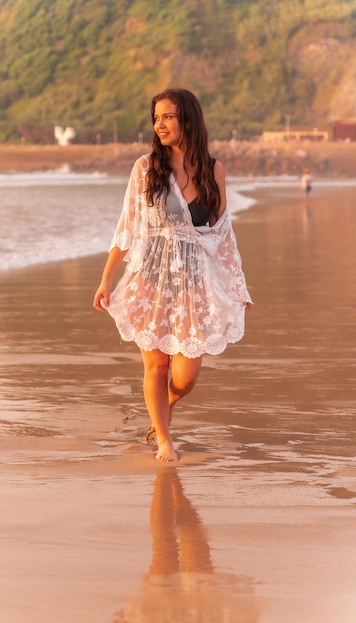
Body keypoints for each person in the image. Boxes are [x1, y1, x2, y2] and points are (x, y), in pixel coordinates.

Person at [93, 88, 252, 462]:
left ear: (188, 120)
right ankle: (164, 439)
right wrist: (106, 280)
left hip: (194, 284)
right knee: (156, 365)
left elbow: (221, 233)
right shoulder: (146, 168)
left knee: (185, 377)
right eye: (156, 117)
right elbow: (127, 228)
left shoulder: (214, 170)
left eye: (168, 116)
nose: (159, 124)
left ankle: (159, 412)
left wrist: (236, 283)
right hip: (150, 279)